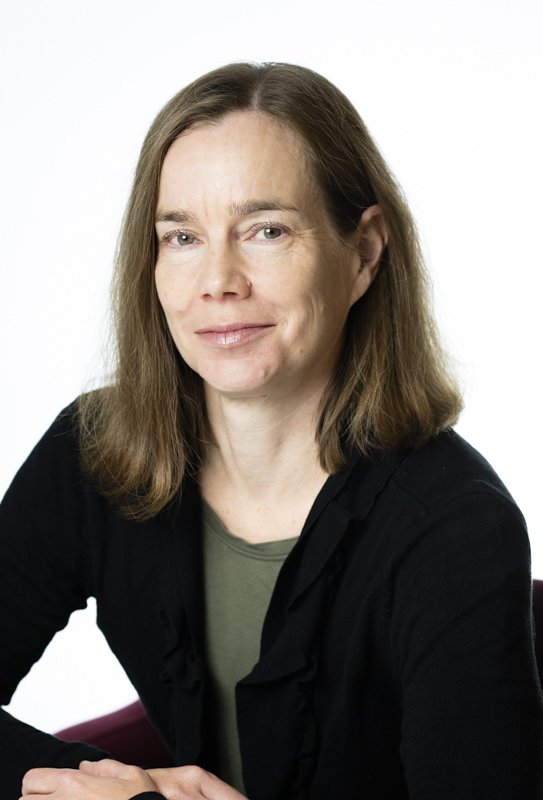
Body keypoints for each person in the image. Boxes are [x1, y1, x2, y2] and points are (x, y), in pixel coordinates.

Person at [1, 62, 541, 800]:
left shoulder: (457, 525)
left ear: (363, 253)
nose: (218, 280)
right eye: (181, 236)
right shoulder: (93, 453)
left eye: (266, 230)